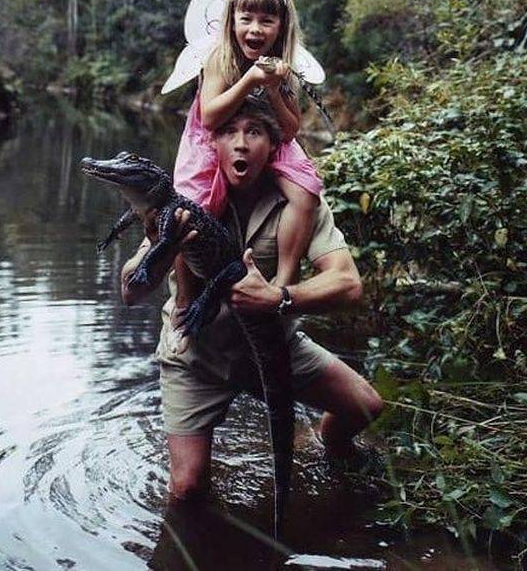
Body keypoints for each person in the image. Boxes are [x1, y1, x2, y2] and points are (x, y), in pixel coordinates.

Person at [121, 98, 383, 501]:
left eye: (254, 132)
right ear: (212, 143)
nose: (241, 144)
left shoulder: (302, 200)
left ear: (273, 144)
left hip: (275, 343)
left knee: (364, 406)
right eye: (228, 132)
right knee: (187, 490)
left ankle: (325, 444)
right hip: (197, 355)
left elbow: (348, 284)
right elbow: (130, 291)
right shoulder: (188, 198)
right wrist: (161, 243)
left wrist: (279, 296)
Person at [174, 0, 323, 304]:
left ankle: (282, 281)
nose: (255, 28)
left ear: (281, 27)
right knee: (190, 207)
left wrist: (272, 88)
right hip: (215, 135)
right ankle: (185, 297)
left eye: (266, 21)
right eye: (247, 19)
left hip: (267, 136)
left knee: (306, 191)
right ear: (232, 22)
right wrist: (249, 82)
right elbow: (210, 116)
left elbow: (290, 129)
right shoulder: (218, 58)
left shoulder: (284, 66)